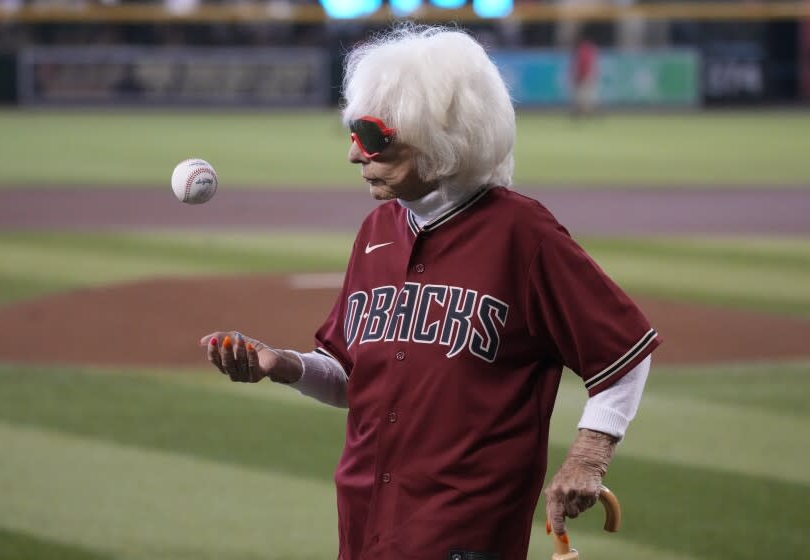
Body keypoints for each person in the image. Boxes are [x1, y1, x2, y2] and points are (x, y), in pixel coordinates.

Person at [200, 24, 661, 560]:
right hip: (365, 523)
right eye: (353, 132)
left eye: (373, 137)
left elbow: (623, 353)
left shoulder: (522, 235)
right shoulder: (376, 232)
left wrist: (589, 454)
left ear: (443, 139)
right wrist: (282, 365)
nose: (355, 155)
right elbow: (354, 379)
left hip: (462, 535)